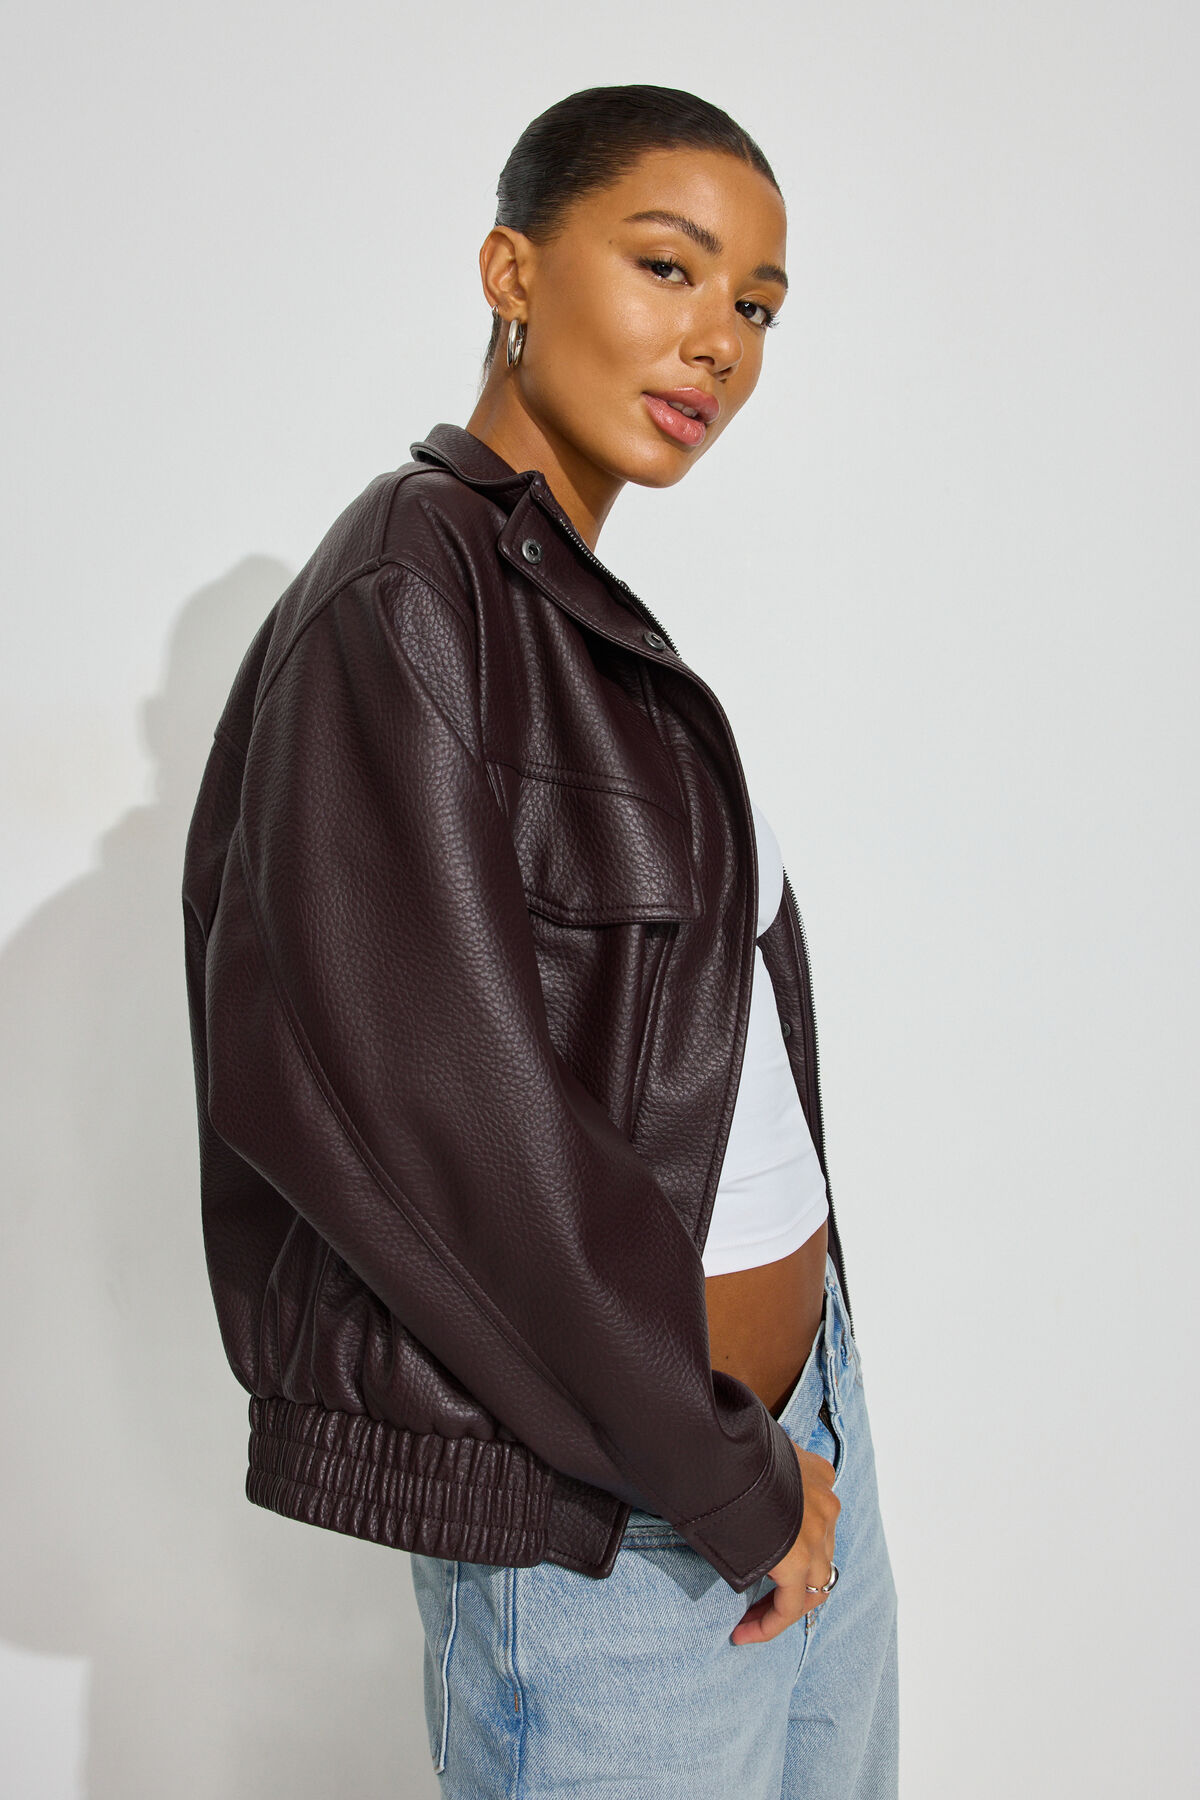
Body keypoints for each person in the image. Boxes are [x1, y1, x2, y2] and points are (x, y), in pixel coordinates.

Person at [182, 83, 898, 1798]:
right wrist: (722, 1482)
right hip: (623, 1530)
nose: (717, 340)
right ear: (513, 269)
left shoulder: (578, 620)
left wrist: (790, 1451)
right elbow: (458, 1150)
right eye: (668, 265)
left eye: (757, 306)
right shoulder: (402, 603)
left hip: (803, 1451)